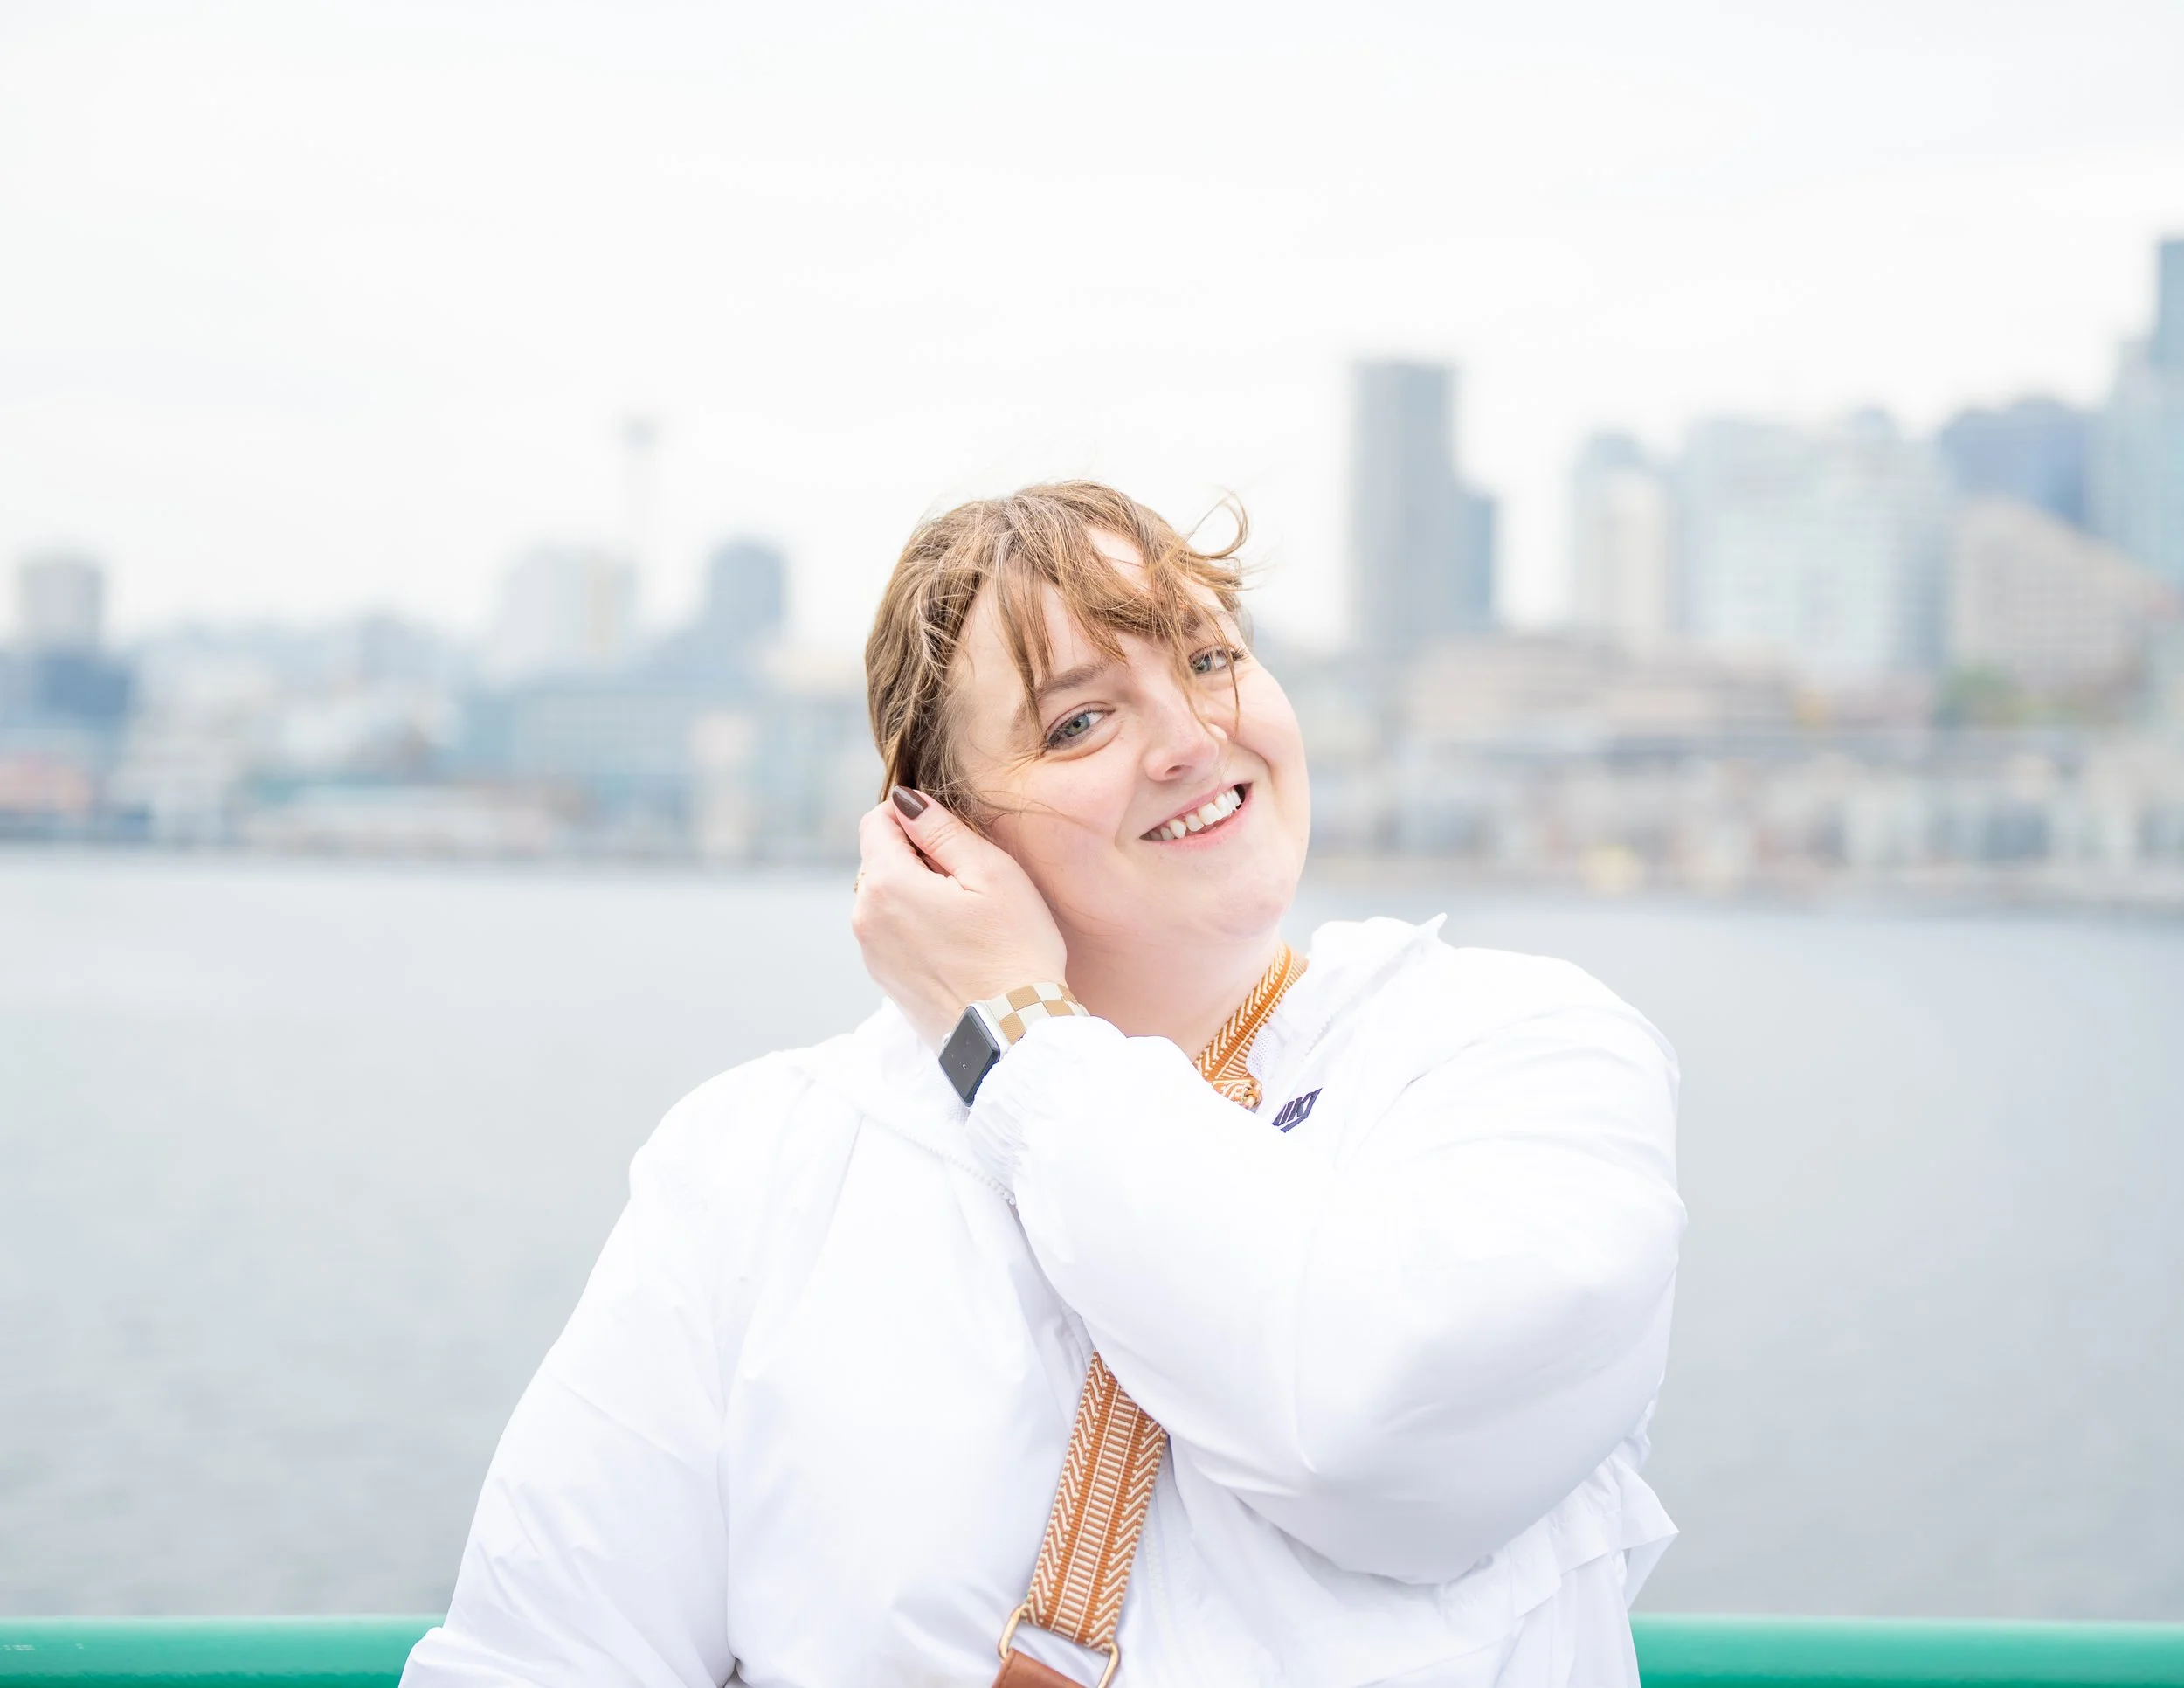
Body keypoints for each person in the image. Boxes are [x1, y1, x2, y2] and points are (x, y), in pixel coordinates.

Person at [402, 481, 1683, 1688]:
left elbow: (1371, 1429)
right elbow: (545, 1651)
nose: (1191, 738)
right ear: (939, 832)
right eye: (1080, 720)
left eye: (1210, 658)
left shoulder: (1512, 1052)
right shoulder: (765, 1160)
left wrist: (1017, 1039)